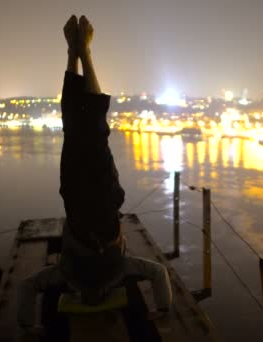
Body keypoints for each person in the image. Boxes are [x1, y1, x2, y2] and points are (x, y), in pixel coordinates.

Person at [17, 14, 172, 332]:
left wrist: (163, 307)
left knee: (94, 130)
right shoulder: (64, 276)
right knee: (75, 129)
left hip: (104, 200)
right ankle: (75, 53)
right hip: (74, 197)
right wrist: (27, 325)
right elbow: (26, 289)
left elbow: (158, 274)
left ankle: (82, 52)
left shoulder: (121, 270)